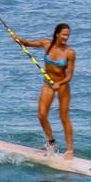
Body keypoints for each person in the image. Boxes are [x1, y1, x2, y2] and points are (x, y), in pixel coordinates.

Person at [9, 23, 75, 157]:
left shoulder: (70, 53)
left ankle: (69, 150)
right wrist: (18, 40)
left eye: (68, 35)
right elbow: (27, 43)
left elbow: (69, 75)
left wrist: (60, 83)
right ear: (57, 34)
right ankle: (51, 143)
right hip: (48, 83)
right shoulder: (46, 43)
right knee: (41, 115)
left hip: (62, 85)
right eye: (64, 34)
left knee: (64, 117)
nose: (66, 37)